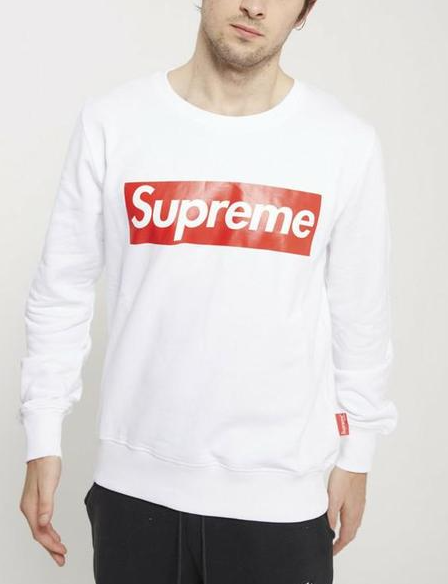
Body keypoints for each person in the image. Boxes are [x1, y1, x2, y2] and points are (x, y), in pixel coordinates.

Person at [18, 1, 398, 583]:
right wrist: (43, 436)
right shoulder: (114, 122)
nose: (255, 6)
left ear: (304, 11)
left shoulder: (344, 143)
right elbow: (61, 290)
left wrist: (359, 452)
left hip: (281, 499)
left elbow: (360, 315)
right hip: (135, 492)